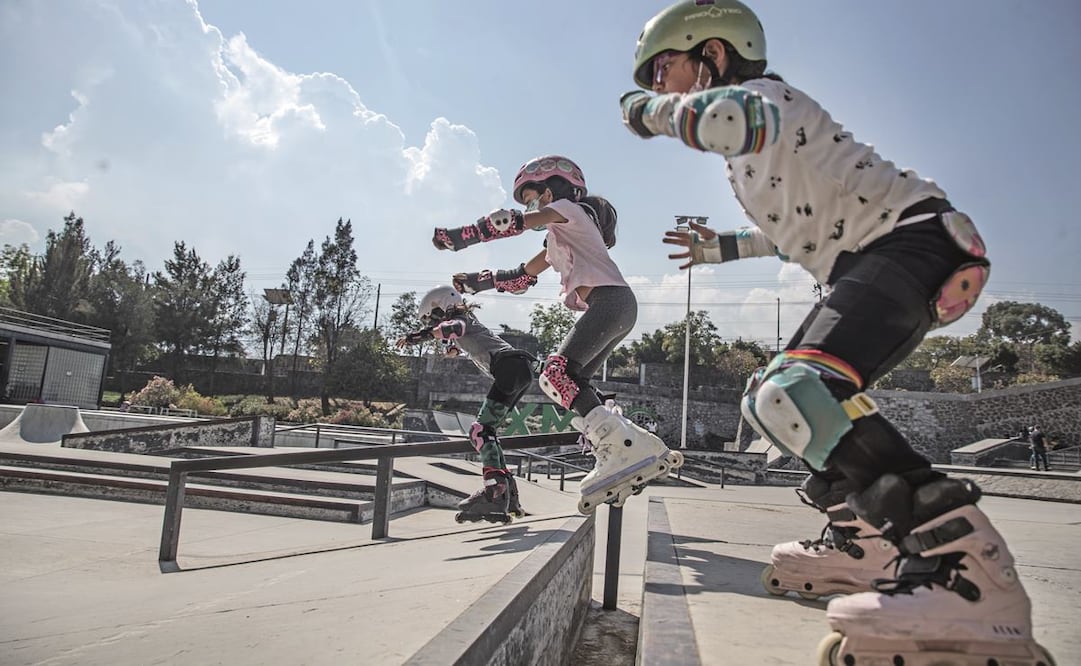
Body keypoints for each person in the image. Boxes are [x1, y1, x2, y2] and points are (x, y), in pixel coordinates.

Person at [620, 1, 1052, 664]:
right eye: (650, 82)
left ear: (713, 52)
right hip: (888, 251)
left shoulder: (761, 100)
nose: (661, 86)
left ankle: (967, 574)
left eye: (665, 68)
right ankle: (866, 549)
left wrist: (643, 112)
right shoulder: (759, 153)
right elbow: (796, 226)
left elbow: (726, 119)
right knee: (769, 397)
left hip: (909, 242)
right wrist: (721, 252)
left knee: (797, 388)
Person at [432, 155, 682, 514]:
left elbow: (512, 223)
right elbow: (520, 276)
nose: (532, 206)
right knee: (575, 381)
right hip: (617, 307)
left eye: (534, 197)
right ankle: (625, 446)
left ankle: (621, 447)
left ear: (555, 190)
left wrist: (459, 237)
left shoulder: (570, 210)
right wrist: (476, 282)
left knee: (555, 373)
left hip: (609, 303)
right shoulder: (557, 240)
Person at [396, 285, 534, 523]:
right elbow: (457, 337)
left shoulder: (461, 319)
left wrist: (416, 337)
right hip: (521, 371)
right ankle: (508, 495)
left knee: (478, 430)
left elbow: (454, 328)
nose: (433, 324)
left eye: (433, 317)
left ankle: (494, 490)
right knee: (487, 432)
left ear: (443, 307)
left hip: (509, 368)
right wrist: (450, 346)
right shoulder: (469, 323)